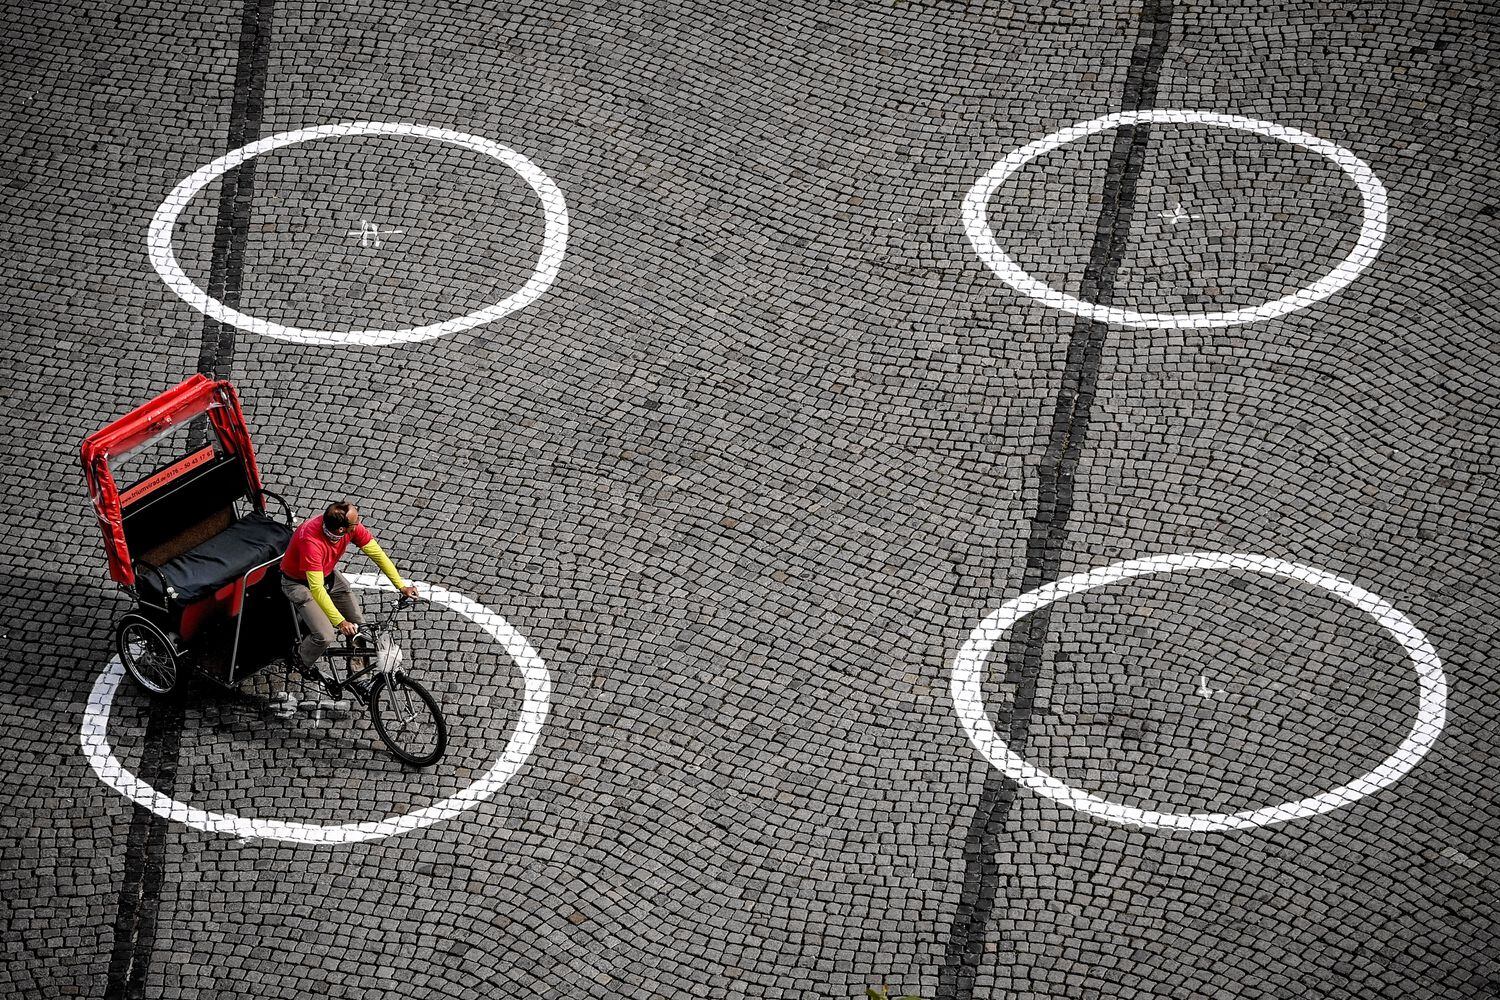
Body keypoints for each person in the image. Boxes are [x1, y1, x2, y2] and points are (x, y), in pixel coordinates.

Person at [280, 501, 417, 694]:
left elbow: (376, 553)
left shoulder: (349, 528)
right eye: (355, 522)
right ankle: (300, 658)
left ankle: (359, 678)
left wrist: (401, 586)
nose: (359, 523)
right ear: (342, 529)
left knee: (360, 627)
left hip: (326, 575)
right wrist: (340, 622)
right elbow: (316, 589)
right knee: (325, 635)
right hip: (298, 584)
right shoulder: (311, 542)